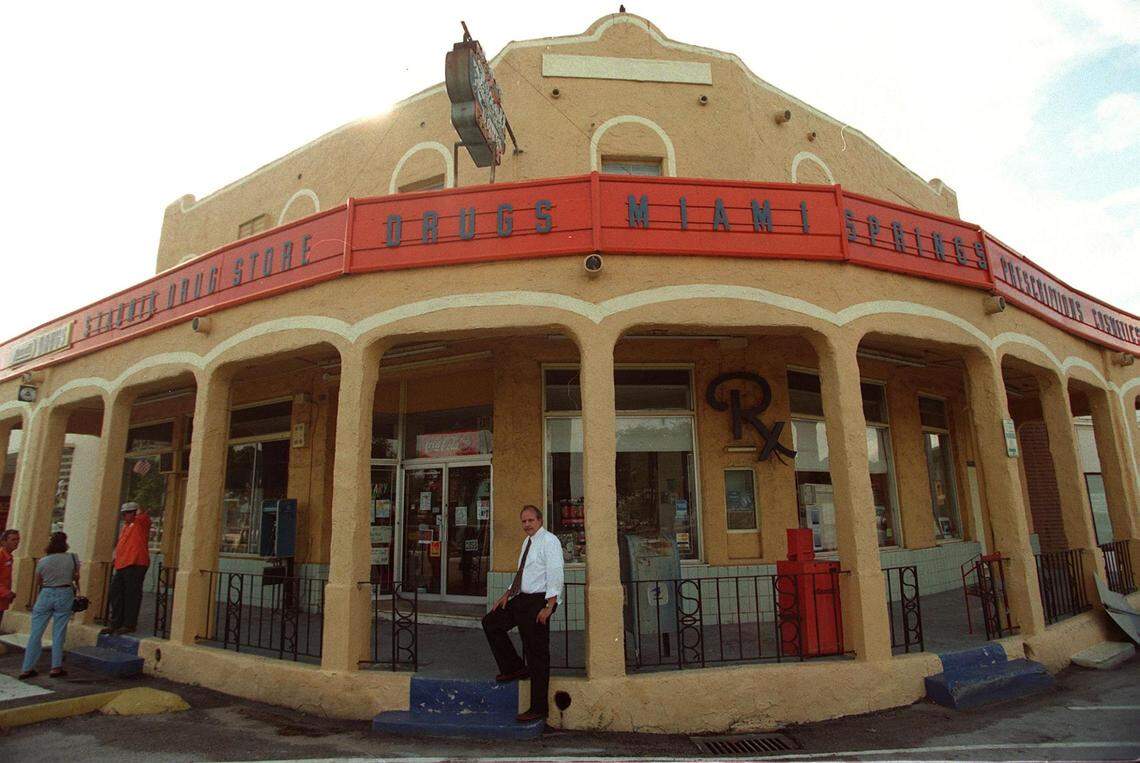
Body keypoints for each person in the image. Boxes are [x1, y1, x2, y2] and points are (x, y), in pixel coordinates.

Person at [481, 504, 564, 723]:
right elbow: (523, 571)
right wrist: (508, 593)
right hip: (522, 598)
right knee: (491, 622)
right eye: (524, 521)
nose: (527, 525)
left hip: (539, 601)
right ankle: (514, 668)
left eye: (531, 521)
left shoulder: (550, 541)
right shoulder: (527, 541)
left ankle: (539, 708)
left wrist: (550, 605)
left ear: (540, 520)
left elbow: (555, 572)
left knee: (537, 654)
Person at [19, 531, 79, 679]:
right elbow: (76, 577)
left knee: (36, 632)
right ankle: (56, 667)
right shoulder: (72, 558)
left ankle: (27, 668)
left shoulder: (43, 561)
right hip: (65, 592)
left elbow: (39, 581)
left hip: (46, 593)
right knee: (59, 632)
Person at [100, 501, 151, 636]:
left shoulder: (140, 523)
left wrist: (139, 511)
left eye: (128, 513)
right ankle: (116, 622)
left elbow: (144, 516)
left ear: (134, 513)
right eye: (124, 513)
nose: (125, 516)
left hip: (136, 563)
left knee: (131, 595)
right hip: (122, 564)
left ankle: (129, 624)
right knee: (116, 593)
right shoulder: (126, 527)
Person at [0, 529, 19, 632]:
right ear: (4, 541)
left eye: (17, 539)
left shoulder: (9, 557)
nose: (16, 542)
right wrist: (6, 593)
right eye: (13, 539)